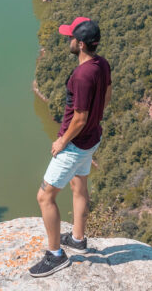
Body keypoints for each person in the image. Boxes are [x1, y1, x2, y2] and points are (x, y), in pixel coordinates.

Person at [28, 16, 111, 278]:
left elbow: (80, 117)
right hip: (91, 139)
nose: (69, 40)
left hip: (74, 144)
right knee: (79, 185)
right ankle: (77, 238)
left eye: (71, 38)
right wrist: (92, 122)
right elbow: (106, 96)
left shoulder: (82, 75)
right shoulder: (102, 64)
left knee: (45, 197)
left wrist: (62, 141)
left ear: (82, 44)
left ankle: (55, 255)